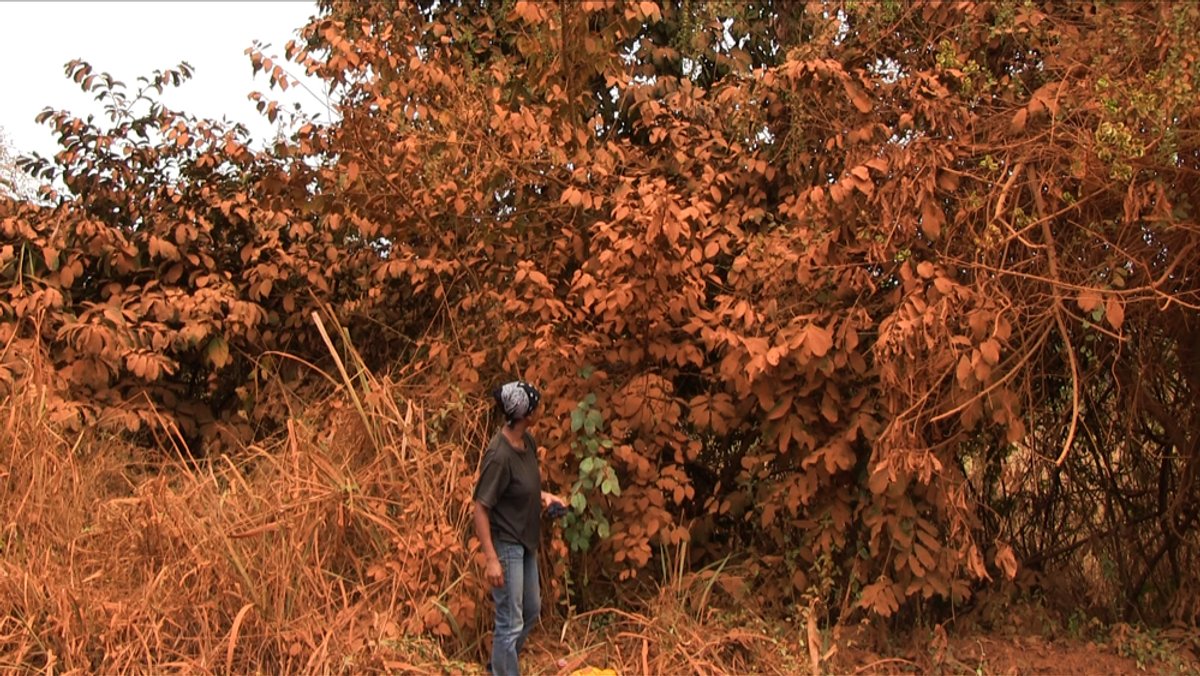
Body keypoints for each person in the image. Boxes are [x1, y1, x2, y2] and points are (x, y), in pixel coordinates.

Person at [473, 381, 565, 676]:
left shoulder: (528, 444)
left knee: (530, 612)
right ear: (525, 414)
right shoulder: (499, 456)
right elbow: (481, 507)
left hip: (526, 541)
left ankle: (498, 667)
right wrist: (491, 560)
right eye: (537, 405)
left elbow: (522, 487)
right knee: (509, 621)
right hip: (506, 543)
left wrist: (546, 497)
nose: (540, 409)